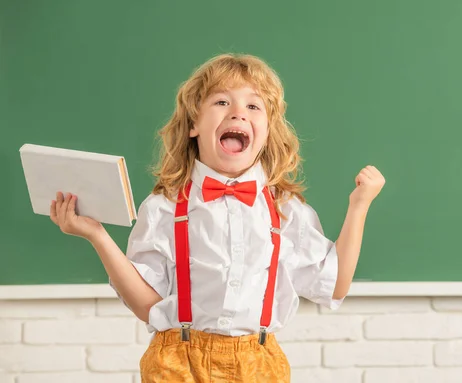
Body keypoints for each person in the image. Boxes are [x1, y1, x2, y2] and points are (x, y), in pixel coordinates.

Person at [50, 53, 385, 382]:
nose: (238, 112)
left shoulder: (286, 210)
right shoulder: (163, 207)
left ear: (267, 131)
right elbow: (146, 306)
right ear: (194, 124)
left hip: (260, 366)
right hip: (175, 364)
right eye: (222, 102)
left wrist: (359, 206)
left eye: (253, 106)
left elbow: (335, 284)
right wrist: (98, 236)